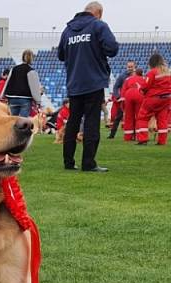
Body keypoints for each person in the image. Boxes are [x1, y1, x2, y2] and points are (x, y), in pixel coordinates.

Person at [57, 1, 119, 172]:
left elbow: (61, 55)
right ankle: (88, 163)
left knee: (73, 122)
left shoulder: (67, 30)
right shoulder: (98, 25)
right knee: (91, 122)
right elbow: (112, 48)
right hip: (93, 82)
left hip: (74, 83)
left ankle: (68, 162)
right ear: (98, 13)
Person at [136, 53, 171, 146]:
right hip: (167, 99)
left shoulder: (152, 72)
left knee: (142, 117)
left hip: (154, 98)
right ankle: (162, 141)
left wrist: (140, 89)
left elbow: (145, 86)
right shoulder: (168, 72)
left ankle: (143, 139)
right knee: (162, 120)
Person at [2, 49, 42, 117]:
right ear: (31, 59)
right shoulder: (31, 71)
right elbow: (34, 88)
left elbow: (8, 82)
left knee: (12, 121)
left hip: (12, 98)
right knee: (23, 123)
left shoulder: (14, 68)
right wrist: (38, 101)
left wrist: (3, 95)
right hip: (25, 99)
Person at [108, 60, 136, 138]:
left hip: (135, 100)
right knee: (118, 117)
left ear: (135, 67)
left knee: (135, 117)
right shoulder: (122, 76)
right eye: (129, 67)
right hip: (124, 101)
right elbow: (116, 87)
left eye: (131, 67)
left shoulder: (138, 74)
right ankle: (112, 135)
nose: (130, 68)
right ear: (126, 67)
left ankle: (134, 134)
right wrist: (118, 96)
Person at [121, 68, 146, 141]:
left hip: (128, 93)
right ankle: (139, 136)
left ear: (135, 73)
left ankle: (128, 137)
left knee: (128, 116)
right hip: (140, 94)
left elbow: (123, 89)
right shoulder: (144, 79)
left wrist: (123, 99)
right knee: (139, 116)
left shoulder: (128, 79)